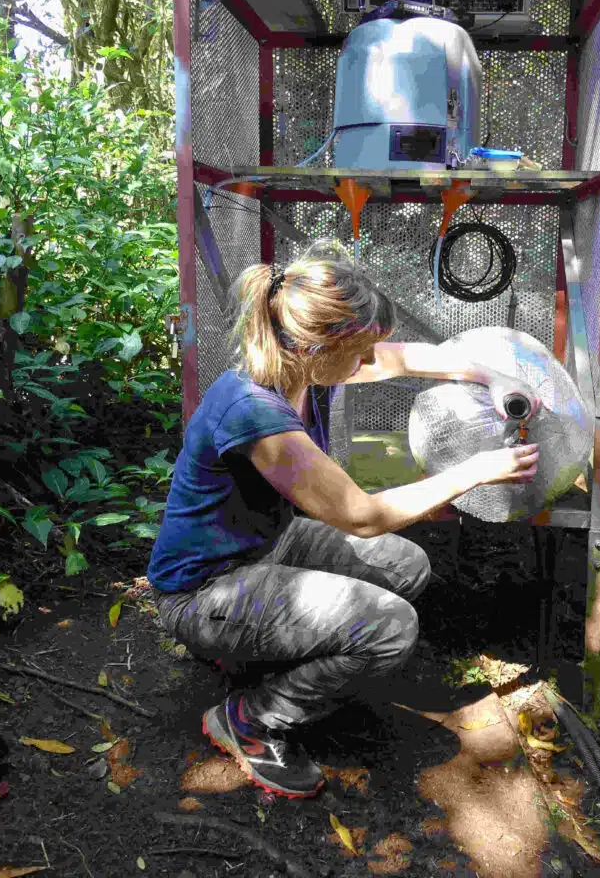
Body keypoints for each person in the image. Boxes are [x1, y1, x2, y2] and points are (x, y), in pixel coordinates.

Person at [147, 243, 540, 798]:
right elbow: (363, 515)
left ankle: (258, 654)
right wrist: (476, 469)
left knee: (405, 567)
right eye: (361, 349)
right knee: (390, 627)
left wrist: (492, 378)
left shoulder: (303, 367)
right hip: (203, 590)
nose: (370, 360)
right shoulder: (256, 414)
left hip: (266, 549)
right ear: (318, 344)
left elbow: (404, 359)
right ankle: (253, 719)